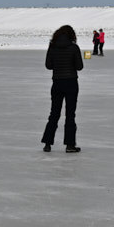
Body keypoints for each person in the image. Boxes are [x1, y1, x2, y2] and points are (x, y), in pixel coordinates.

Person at [41, 24, 83, 152]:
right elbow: (79, 66)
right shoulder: (74, 47)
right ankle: (70, 145)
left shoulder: (52, 47)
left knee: (54, 114)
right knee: (70, 115)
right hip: (71, 82)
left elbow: (48, 65)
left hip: (57, 83)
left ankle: (47, 143)